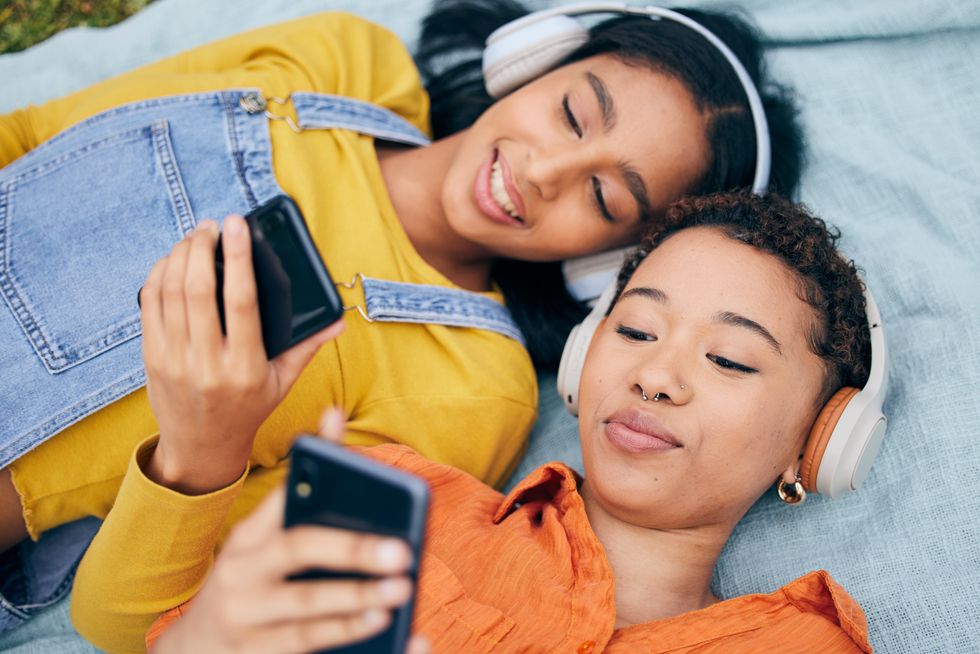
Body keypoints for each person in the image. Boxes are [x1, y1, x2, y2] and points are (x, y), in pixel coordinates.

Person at [0, 0, 803, 544]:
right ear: (536, 59)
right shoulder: (345, 61)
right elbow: (33, 133)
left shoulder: (475, 392)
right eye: (572, 113)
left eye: (601, 195)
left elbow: (135, 621)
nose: (544, 172)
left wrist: (200, 451)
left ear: (605, 267)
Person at [139, 191, 875, 653]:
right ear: (584, 356)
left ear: (816, 444)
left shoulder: (799, 645)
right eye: (638, 333)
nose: (654, 377)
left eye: (729, 359)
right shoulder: (398, 501)